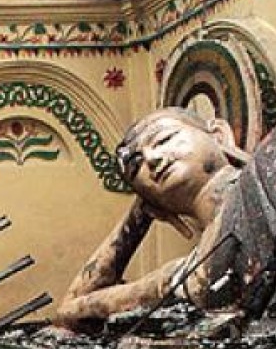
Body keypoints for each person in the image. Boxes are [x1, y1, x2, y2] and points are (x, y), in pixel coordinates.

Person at [54, 106, 276, 331]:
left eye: (163, 140)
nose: (151, 159)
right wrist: (141, 210)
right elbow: (72, 309)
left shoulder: (265, 169)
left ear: (218, 135)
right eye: (135, 166)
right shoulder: (188, 272)